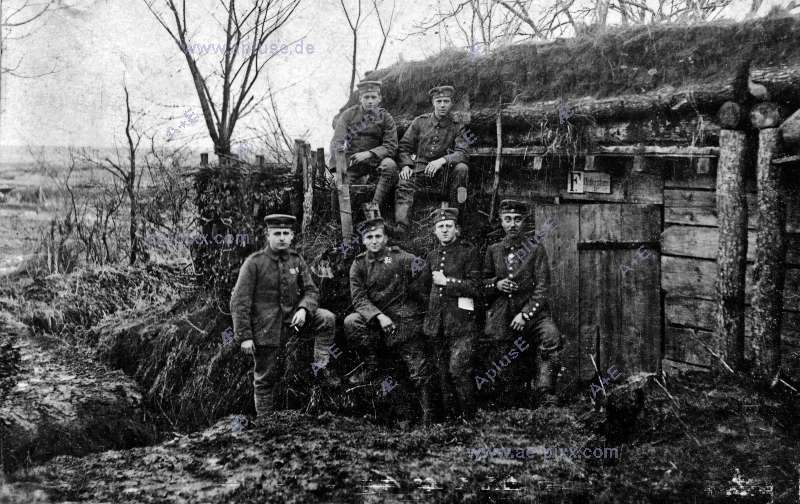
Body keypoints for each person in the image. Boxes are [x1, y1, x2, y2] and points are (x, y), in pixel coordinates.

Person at [229, 214, 336, 421]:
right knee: (264, 378)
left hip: (293, 322)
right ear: (267, 235)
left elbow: (311, 291)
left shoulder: (297, 260)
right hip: (266, 329)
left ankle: (320, 369)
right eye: (276, 233)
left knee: (326, 318)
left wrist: (304, 309)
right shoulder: (254, 263)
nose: (281, 238)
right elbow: (239, 302)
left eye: (285, 233)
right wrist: (245, 337)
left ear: (292, 236)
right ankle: (265, 422)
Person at [343, 217, 434, 425]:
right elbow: (359, 299)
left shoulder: (400, 258)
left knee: (418, 369)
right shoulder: (358, 265)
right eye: (369, 237)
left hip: (403, 321)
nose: (374, 241)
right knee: (352, 322)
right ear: (363, 241)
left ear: (385, 239)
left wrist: (416, 298)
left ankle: (428, 418)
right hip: (376, 322)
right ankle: (371, 359)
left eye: (378, 236)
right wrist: (379, 316)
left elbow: (424, 272)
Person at [482, 200, 561, 405]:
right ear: (501, 222)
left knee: (551, 337)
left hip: (533, 312)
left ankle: (545, 393)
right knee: (499, 346)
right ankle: (509, 397)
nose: (513, 224)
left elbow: (543, 287)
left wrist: (526, 314)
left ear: (524, 222)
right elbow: (482, 283)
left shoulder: (535, 249)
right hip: (503, 312)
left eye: (517, 220)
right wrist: (496, 284)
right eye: (507, 220)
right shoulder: (494, 250)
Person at [416, 206, 480, 419]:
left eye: (448, 226)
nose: (444, 230)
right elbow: (423, 288)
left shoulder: (468, 252)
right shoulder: (432, 255)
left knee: (459, 371)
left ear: (456, 230)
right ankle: (451, 421)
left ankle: (469, 419)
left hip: (461, 324)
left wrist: (448, 282)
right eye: (440, 227)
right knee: (442, 374)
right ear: (435, 231)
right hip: (437, 325)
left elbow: (476, 287)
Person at [394, 85, 471, 238]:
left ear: (451, 103)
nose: (442, 105)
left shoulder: (458, 126)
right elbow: (403, 147)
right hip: (420, 172)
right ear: (433, 103)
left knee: (462, 169)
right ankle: (401, 228)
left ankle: (457, 223)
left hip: (445, 175)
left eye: (446, 101)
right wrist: (406, 165)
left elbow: (463, 153)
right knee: (403, 182)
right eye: (439, 101)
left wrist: (442, 160)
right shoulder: (419, 122)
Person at [330, 80, 399, 216]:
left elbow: (391, 145)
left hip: (376, 161)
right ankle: (338, 220)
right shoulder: (348, 115)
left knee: (390, 165)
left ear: (379, 99)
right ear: (360, 98)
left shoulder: (386, 117)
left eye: (373, 97)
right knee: (338, 184)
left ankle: (374, 209)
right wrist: (335, 169)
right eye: (366, 97)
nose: (370, 101)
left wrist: (369, 154)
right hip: (353, 163)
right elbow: (337, 141)